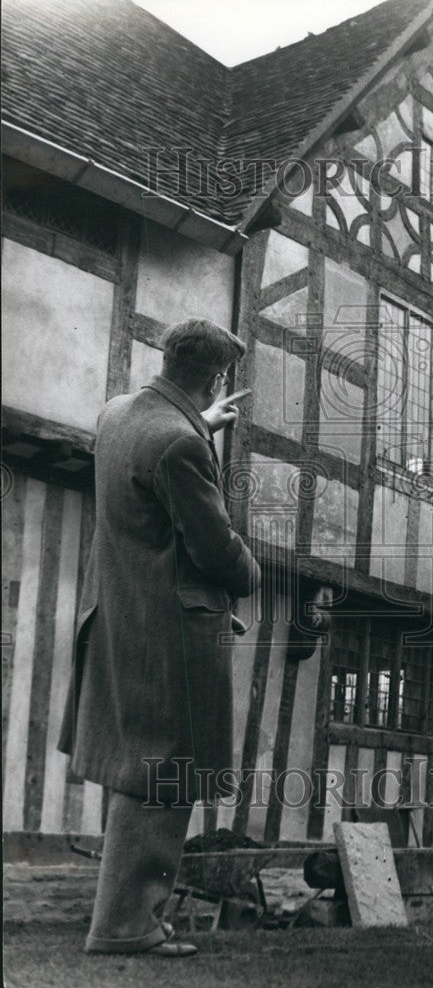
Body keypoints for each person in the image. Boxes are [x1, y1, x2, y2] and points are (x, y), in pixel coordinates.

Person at [59, 319, 261, 957]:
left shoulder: (118, 414)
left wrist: (203, 421)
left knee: (137, 768)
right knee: (167, 775)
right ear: (216, 376)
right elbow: (215, 550)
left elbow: (158, 445)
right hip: (171, 631)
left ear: (169, 357)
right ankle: (125, 927)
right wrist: (255, 573)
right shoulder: (181, 445)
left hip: (122, 618)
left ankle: (127, 917)